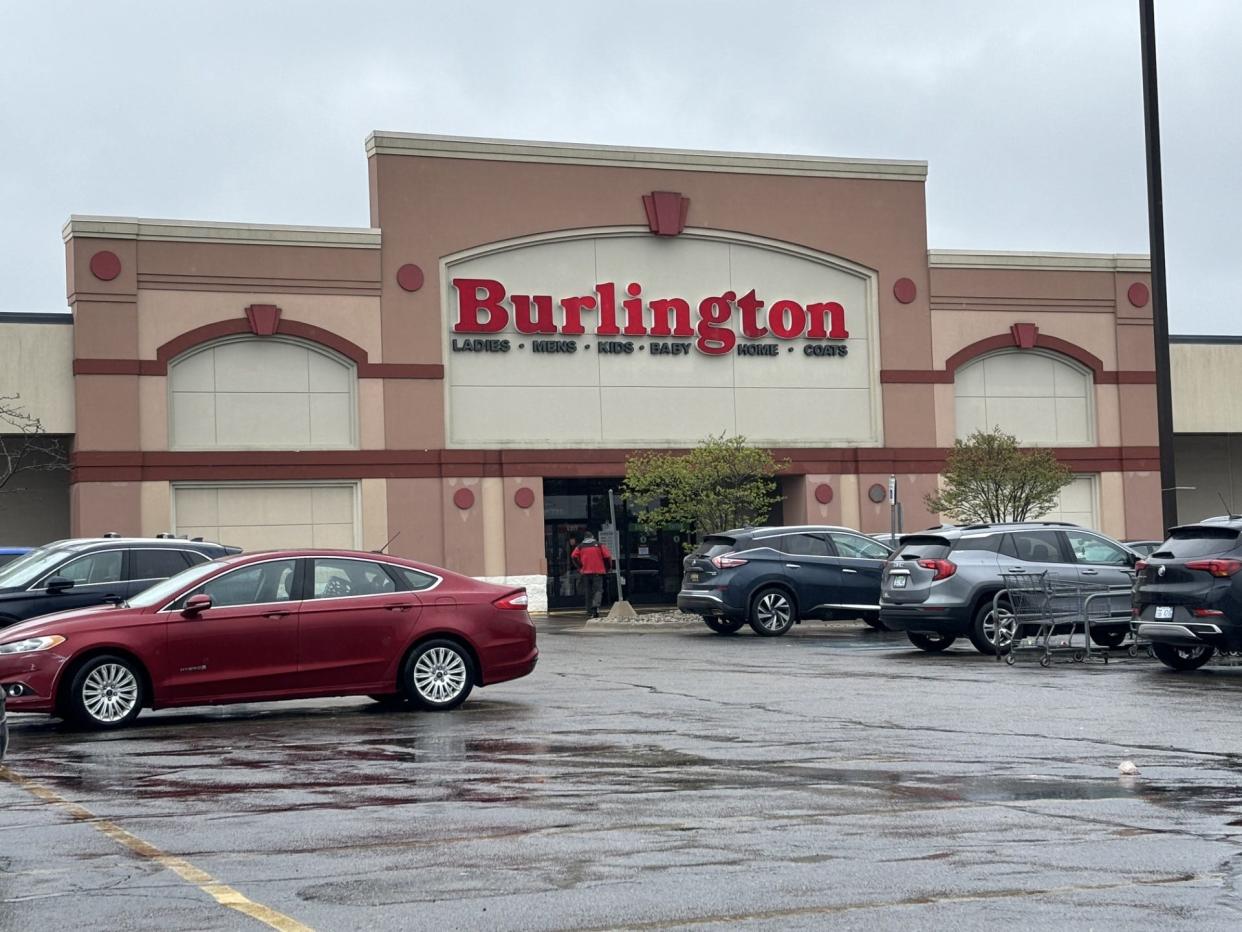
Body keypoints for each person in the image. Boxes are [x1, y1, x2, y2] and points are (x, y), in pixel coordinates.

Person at [571, 532, 613, 618]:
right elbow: (608, 556)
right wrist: (607, 568)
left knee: (588, 592)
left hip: (586, 572)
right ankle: (595, 606)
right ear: (592, 537)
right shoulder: (599, 545)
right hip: (598, 571)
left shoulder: (580, 546)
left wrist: (580, 567)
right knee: (598, 590)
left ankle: (589, 611)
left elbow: (573, 556)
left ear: (584, 538)